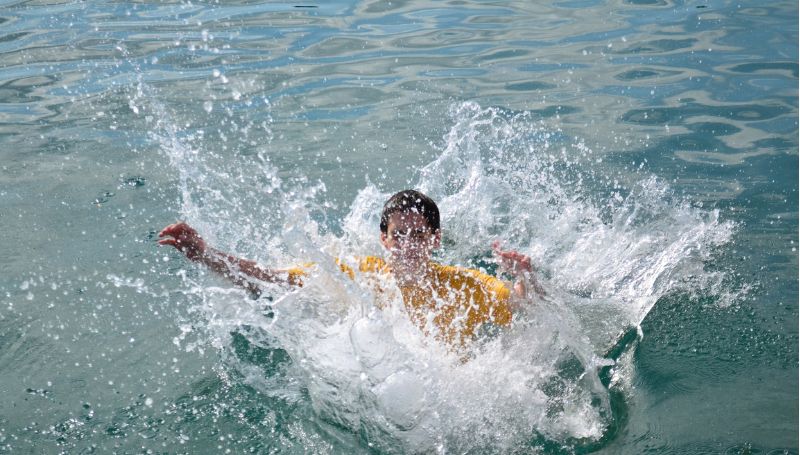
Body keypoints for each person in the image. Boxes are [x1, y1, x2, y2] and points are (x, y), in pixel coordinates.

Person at [158, 190, 542, 348]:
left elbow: (526, 313)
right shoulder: (356, 273)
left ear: (435, 240)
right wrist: (207, 254)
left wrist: (525, 277)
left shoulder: (464, 286)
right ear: (384, 239)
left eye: (419, 235)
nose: (409, 244)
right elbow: (270, 277)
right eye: (400, 234)